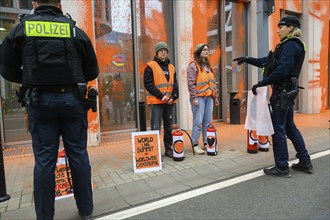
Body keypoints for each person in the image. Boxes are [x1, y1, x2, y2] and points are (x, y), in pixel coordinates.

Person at [0, 0, 99, 219]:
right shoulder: (75, 31)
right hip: (72, 102)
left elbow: (6, 69)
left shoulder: (22, 29)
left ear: (35, 3)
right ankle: (86, 210)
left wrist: (29, 79)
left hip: (39, 102)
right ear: (59, 3)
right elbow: (92, 71)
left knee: (45, 161)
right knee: (79, 155)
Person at [233, 16, 313, 178]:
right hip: (288, 92)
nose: (277, 30)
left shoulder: (290, 45)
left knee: (279, 130)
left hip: (282, 93)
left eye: (281, 27)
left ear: (290, 28)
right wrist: (247, 59)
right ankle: (305, 161)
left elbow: (282, 70)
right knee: (290, 127)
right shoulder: (289, 45)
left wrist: (261, 83)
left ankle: (282, 167)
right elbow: (268, 62)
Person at [144, 42, 179, 158]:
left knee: (168, 127)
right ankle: (155, 152)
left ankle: (168, 150)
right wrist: (161, 96)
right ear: (157, 52)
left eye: (165, 50)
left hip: (169, 102)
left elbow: (175, 85)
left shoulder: (171, 67)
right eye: (161, 50)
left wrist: (173, 97)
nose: (163, 52)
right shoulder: (150, 66)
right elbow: (148, 85)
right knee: (155, 127)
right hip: (156, 102)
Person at [187, 43, 219, 155]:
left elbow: (213, 83)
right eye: (204, 50)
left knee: (208, 121)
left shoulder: (208, 66)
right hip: (199, 98)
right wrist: (194, 98)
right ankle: (195, 144)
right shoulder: (193, 65)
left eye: (207, 50)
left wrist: (215, 97)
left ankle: (206, 142)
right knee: (198, 121)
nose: (206, 51)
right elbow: (191, 83)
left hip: (209, 97)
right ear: (199, 52)